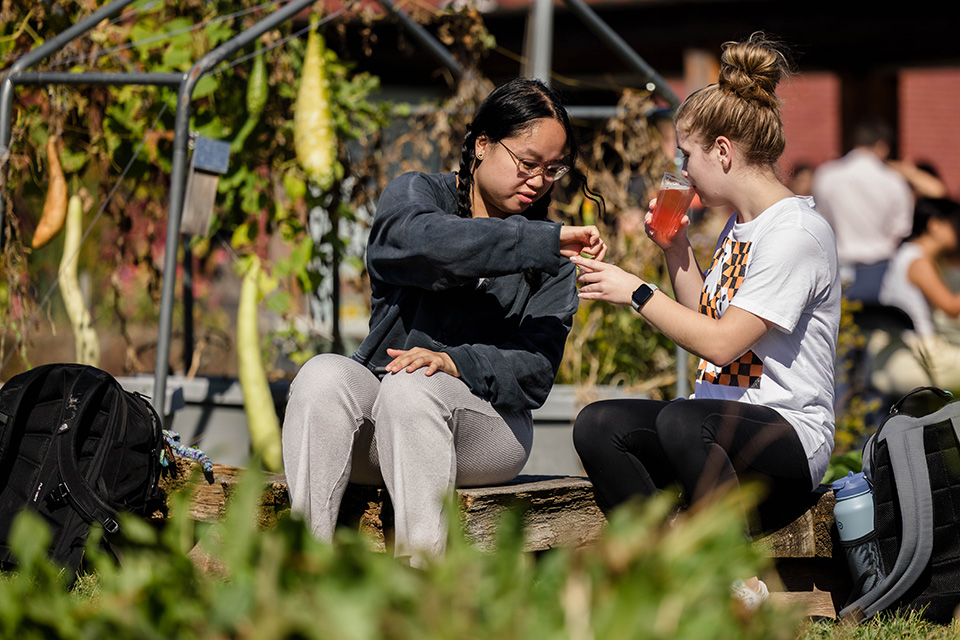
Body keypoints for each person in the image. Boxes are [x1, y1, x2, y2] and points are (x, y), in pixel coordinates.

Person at [281, 77, 607, 567]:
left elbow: (534, 372)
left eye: (553, 169)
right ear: (481, 145)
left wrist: (455, 363)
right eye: (527, 163)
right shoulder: (418, 197)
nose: (540, 181)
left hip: (488, 430)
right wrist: (532, 242)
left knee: (414, 385)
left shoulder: (555, 256)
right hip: (387, 417)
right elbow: (422, 245)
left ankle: (422, 587)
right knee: (321, 375)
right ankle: (304, 571)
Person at [570, 33, 840, 610]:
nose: (682, 173)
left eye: (685, 157)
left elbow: (720, 346)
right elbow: (705, 321)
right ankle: (655, 570)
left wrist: (636, 291)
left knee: (684, 422)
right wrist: (674, 253)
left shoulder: (794, 234)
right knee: (599, 424)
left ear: (722, 151)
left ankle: (729, 580)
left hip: (784, 441)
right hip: (715, 432)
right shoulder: (738, 226)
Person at [811, 118, 913, 303]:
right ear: (882, 146)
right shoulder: (894, 180)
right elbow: (901, 229)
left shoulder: (826, 175)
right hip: (881, 269)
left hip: (837, 266)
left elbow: (821, 220)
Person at [871, 197, 960, 394]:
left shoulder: (906, 253)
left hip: (903, 349)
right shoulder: (918, 260)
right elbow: (952, 308)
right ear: (935, 225)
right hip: (923, 352)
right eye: (956, 224)